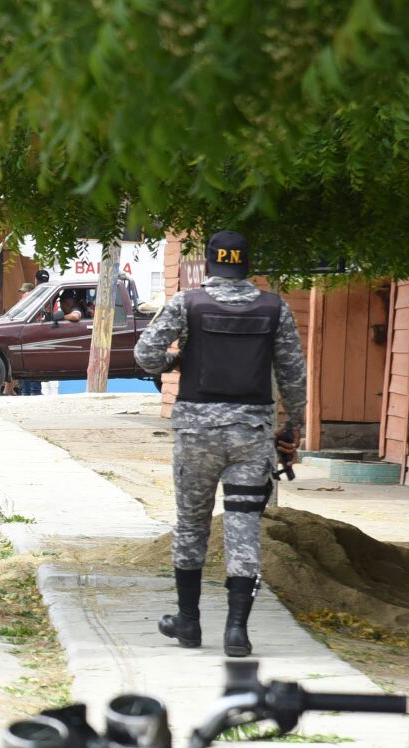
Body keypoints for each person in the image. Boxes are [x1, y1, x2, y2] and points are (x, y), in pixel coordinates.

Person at [134, 230, 306, 657]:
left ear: (209, 264)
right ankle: (236, 632)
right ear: (248, 265)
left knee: (191, 526)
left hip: (196, 437)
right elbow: (293, 374)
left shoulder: (187, 303)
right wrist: (293, 425)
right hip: (251, 436)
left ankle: (188, 623)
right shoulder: (274, 309)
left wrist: (175, 360)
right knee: (243, 529)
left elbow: (145, 355)